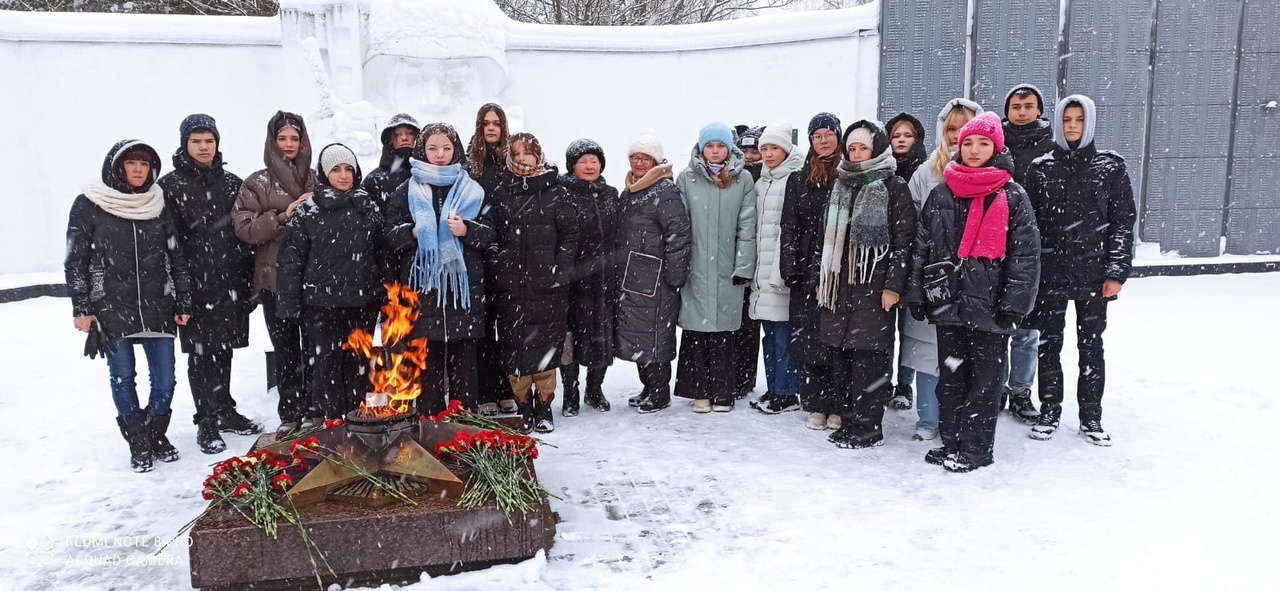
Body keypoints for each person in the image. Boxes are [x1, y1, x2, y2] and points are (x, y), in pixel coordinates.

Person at [907, 112, 1041, 472]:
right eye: (967, 142)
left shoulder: (1012, 195)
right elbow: (923, 246)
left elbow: (1025, 257)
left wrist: (1014, 305)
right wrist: (918, 292)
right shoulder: (942, 192)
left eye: (983, 143)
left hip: (991, 309)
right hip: (948, 304)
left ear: (996, 147)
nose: (974, 149)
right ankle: (952, 442)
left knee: (984, 382)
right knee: (951, 377)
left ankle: (977, 449)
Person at [66, 140, 192, 472]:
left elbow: (176, 256)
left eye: (145, 164)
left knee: (165, 381)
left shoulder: (158, 203)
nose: (138, 169)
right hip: (111, 307)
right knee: (123, 377)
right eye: (131, 163)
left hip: (158, 304)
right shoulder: (90, 203)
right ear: (117, 166)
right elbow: (75, 259)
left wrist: (183, 299)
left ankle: (154, 432)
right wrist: (82, 307)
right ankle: (138, 441)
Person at [1022, 94, 1136, 446]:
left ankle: (1091, 417)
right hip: (1051, 274)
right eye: (1067, 120)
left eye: (1079, 120)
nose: (1072, 126)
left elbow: (1122, 223)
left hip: (1093, 274)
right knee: (1048, 345)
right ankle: (1050, 410)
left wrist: (1115, 272)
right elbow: (1029, 225)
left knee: (1091, 346)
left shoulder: (1110, 166)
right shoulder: (1041, 168)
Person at [158, 114, 261, 455]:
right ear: (185, 144)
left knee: (225, 349)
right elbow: (169, 244)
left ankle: (225, 410)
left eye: (209, 141)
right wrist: (181, 293)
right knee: (201, 356)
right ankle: (206, 421)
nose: (204, 147)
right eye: (196, 141)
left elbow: (243, 236)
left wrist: (248, 282)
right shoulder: (170, 187)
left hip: (230, 281)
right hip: (194, 287)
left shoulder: (232, 184)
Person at [819, 121, 917, 449]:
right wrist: (826, 279)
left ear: (875, 149)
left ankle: (868, 427)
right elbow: (828, 240)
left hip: (873, 287)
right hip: (840, 288)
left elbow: (904, 242)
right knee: (842, 359)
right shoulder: (841, 185)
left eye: (863, 148)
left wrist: (893, 286)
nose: (857, 154)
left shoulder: (893, 186)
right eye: (852, 149)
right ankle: (849, 421)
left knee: (869, 360)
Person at [385, 123, 494, 416]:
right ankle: (431, 425)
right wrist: (412, 233)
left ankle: (463, 428)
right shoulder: (406, 190)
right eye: (433, 148)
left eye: (446, 148)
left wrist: (468, 230)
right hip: (424, 290)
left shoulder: (473, 189)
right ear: (422, 150)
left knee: (465, 368)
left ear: (455, 149)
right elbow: (388, 235)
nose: (440, 154)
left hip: (463, 292)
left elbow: (491, 234)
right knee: (428, 366)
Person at [276, 143, 383, 421]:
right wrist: (288, 303)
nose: (344, 175)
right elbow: (291, 260)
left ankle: (360, 420)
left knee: (360, 365)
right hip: (321, 305)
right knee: (326, 366)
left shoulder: (368, 207)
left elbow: (382, 255)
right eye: (336, 169)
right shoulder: (308, 211)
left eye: (349, 169)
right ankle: (332, 423)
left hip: (363, 302)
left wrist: (386, 294)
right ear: (324, 173)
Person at [900, 98, 983, 441]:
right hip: (931, 274)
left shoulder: (988, 172)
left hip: (974, 278)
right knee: (925, 348)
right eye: (951, 128)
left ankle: (959, 416)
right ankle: (928, 418)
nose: (957, 135)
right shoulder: (926, 172)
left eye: (965, 129)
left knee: (963, 352)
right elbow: (909, 225)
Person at [232, 111, 317, 437]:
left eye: (294, 138)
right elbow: (245, 229)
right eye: (282, 138)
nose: (289, 144)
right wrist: (282, 216)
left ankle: (314, 408)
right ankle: (291, 411)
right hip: (274, 280)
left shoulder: (315, 178)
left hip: (312, 279)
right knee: (285, 348)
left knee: (314, 347)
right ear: (272, 141)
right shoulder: (257, 182)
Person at [488, 132, 579, 433]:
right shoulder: (501, 190)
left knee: (545, 354)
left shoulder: (556, 191)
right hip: (511, 288)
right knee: (515, 354)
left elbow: (570, 235)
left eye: (529, 152)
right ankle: (523, 406)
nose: (524, 158)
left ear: (538, 155)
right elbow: (490, 232)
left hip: (547, 288)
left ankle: (544, 406)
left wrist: (559, 270)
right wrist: (498, 260)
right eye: (518, 152)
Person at [674, 122, 758, 413]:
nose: (714, 151)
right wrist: (680, 265)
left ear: (728, 149)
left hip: (727, 268)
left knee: (724, 332)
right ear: (701, 148)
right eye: (709, 146)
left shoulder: (743, 179)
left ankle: (724, 392)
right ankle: (700, 392)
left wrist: (743, 266)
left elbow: (748, 226)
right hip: (695, 267)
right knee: (697, 332)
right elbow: (679, 226)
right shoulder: (686, 179)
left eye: (720, 146)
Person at [616, 130, 692, 414]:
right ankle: (648, 387)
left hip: (657, 279)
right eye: (634, 157)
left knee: (657, 338)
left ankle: (660, 394)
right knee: (639, 337)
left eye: (644, 158)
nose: (638, 162)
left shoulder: (664, 190)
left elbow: (678, 234)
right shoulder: (631, 189)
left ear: (656, 161)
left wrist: (674, 276)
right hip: (633, 277)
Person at [780, 113, 844, 430]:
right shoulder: (799, 178)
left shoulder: (847, 175)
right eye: (817, 136)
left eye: (828, 134)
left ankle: (838, 404)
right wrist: (790, 267)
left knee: (836, 338)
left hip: (838, 271)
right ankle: (816, 403)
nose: (823, 140)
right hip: (805, 269)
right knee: (808, 339)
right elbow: (789, 227)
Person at [1000, 83, 1056, 423]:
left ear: (1039, 110)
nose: (1021, 111)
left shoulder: (1051, 147)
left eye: (1028, 106)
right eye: (1016, 106)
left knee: (1027, 328)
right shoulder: (995, 143)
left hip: (1036, 249)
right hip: (996, 247)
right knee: (996, 326)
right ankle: (997, 388)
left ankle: (1021, 391)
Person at [748, 121, 806, 414]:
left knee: (784, 337)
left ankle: (787, 391)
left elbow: (788, 231)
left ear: (786, 150)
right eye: (765, 149)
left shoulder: (793, 179)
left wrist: (780, 272)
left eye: (774, 148)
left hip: (779, 273)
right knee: (769, 336)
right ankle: (773, 387)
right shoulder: (762, 181)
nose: (769, 154)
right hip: (762, 272)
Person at [558, 139, 619, 416]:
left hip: (604, 280)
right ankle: (570, 392)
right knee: (569, 339)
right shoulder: (562, 192)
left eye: (594, 160)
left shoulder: (610, 194)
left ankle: (595, 389)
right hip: (573, 281)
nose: (590, 165)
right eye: (583, 161)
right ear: (572, 166)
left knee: (601, 336)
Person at [467, 103, 518, 417]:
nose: (491, 128)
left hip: (509, 252)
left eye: (496, 123)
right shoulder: (471, 164)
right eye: (486, 123)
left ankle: (508, 389)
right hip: (478, 252)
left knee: (509, 326)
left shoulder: (512, 162)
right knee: (482, 329)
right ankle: (486, 390)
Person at [883, 112, 928, 413]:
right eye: (896, 135)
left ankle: (904, 384)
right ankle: (882, 382)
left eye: (907, 135)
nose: (901, 140)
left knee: (910, 329)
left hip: (916, 259)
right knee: (884, 329)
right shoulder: (882, 170)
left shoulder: (926, 170)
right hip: (886, 261)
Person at [362, 113, 421, 286]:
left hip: (424, 258)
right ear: (390, 140)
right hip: (388, 262)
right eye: (397, 134)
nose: (404, 137)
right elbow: (369, 226)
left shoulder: (431, 173)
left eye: (409, 133)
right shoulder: (375, 179)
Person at [731, 124, 764, 398]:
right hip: (737, 260)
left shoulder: (767, 179)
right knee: (740, 324)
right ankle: (738, 376)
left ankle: (746, 377)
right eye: (745, 150)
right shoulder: (734, 178)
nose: (750, 156)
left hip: (763, 261)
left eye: (755, 150)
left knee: (754, 326)